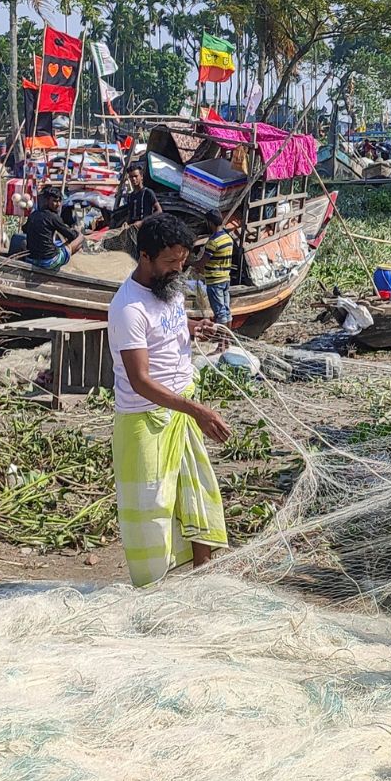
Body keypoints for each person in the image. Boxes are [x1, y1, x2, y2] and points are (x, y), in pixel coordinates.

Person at [107, 212, 231, 587]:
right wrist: (197, 410)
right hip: (146, 421)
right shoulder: (128, 308)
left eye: (182, 260)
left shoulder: (171, 288)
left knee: (197, 495)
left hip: (180, 410)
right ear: (145, 257)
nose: (178, 268)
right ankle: (154, 592)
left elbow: (170, 326)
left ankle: (201, 582)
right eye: (169, 262)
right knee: (153, 513)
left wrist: (193, 329)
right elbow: (141, 381)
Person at [196, 210, 239, 327]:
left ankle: (221, 342)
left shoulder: (213, 242)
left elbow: (203, 262)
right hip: (225, 278)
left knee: (220, 313)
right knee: (226, 311)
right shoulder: (228, 239)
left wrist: (193, 264)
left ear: (210, 223)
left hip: (215, 281)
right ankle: (227, 340)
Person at [22, 187, 78, 270]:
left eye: (59, 201)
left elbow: (24, 229)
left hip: (31, 259)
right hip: (48, 262)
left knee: (56, 243)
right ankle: (57, 264)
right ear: (47, 201)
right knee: (80, 238)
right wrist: (76, 232)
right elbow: (72, 236)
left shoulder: (34, 214)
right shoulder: (53, 217)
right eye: (54, 201)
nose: (58, 204)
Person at [109, 164, 160, 229]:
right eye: (131, 177)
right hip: (133, 228)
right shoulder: (131, 196)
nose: (133, 179)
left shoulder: (148, 193)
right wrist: (126, 223)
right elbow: (130, 214)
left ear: (141, 176)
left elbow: (159, 211)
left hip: (146, 228)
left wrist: (142, 222)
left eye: (136, 176)